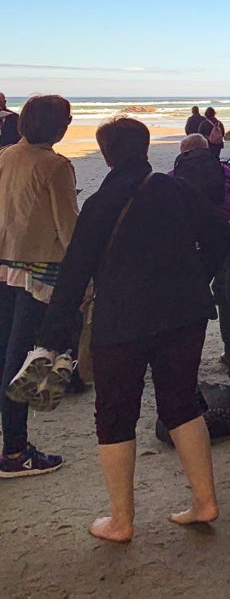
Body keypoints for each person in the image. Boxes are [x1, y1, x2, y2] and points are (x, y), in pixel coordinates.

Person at [36, 116, 230, 540]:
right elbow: (220, 231)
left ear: (106, 156)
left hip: (122, 319)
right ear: (144, 149)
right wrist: (200, 276)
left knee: (114, 413)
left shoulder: (102, 203)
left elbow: (74, 273)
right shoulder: (176, 188)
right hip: (184, 312)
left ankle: (122, 521)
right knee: (181, 403)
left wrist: (51, 339)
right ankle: (205, 501)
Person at [0, 95, 78, 477]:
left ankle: (13, 444)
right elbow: (69, 228)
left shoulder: (6, 156)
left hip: (2, 266)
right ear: (58, 126)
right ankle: (15, 452)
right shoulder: (55, 165)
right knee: (21, 365)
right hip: (39, 272)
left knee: (5, 356)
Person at [172, 133, 230, 387]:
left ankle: (185, 365)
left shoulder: (172, 176)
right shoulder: (224, 171)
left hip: (198, 240)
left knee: (191, 303)